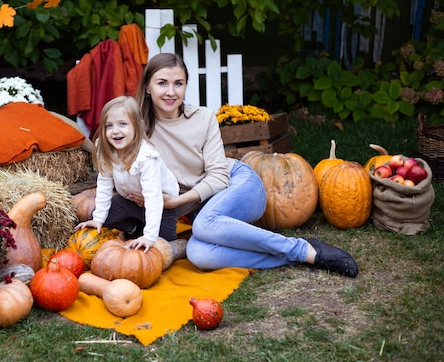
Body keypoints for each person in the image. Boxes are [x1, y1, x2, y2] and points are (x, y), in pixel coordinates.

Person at [131, 53, 358, 277]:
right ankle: (293, 256)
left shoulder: (202, 118)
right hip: (203, 211)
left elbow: (219, 177)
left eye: (178, 83)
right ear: (148, 87)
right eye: (162, 83)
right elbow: (109, 150)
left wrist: (177, 202)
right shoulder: (135, 127)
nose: (171, 92)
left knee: (202, 225)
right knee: (198, 254)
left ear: (185, 86)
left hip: (237, 185)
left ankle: (301, 248)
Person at [75, 95, 180, 252]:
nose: (115, 131)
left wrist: (149, 237)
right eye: (109, 126)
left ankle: (145, 229)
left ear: (137, 127)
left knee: (161, 248)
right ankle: (133, 226)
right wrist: (98, 219)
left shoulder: (146, 157)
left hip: (162, 205)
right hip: (130, 202)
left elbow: (153, 198)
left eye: (123, 124)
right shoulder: (107, 151)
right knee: (96, 216)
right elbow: (104, 185)